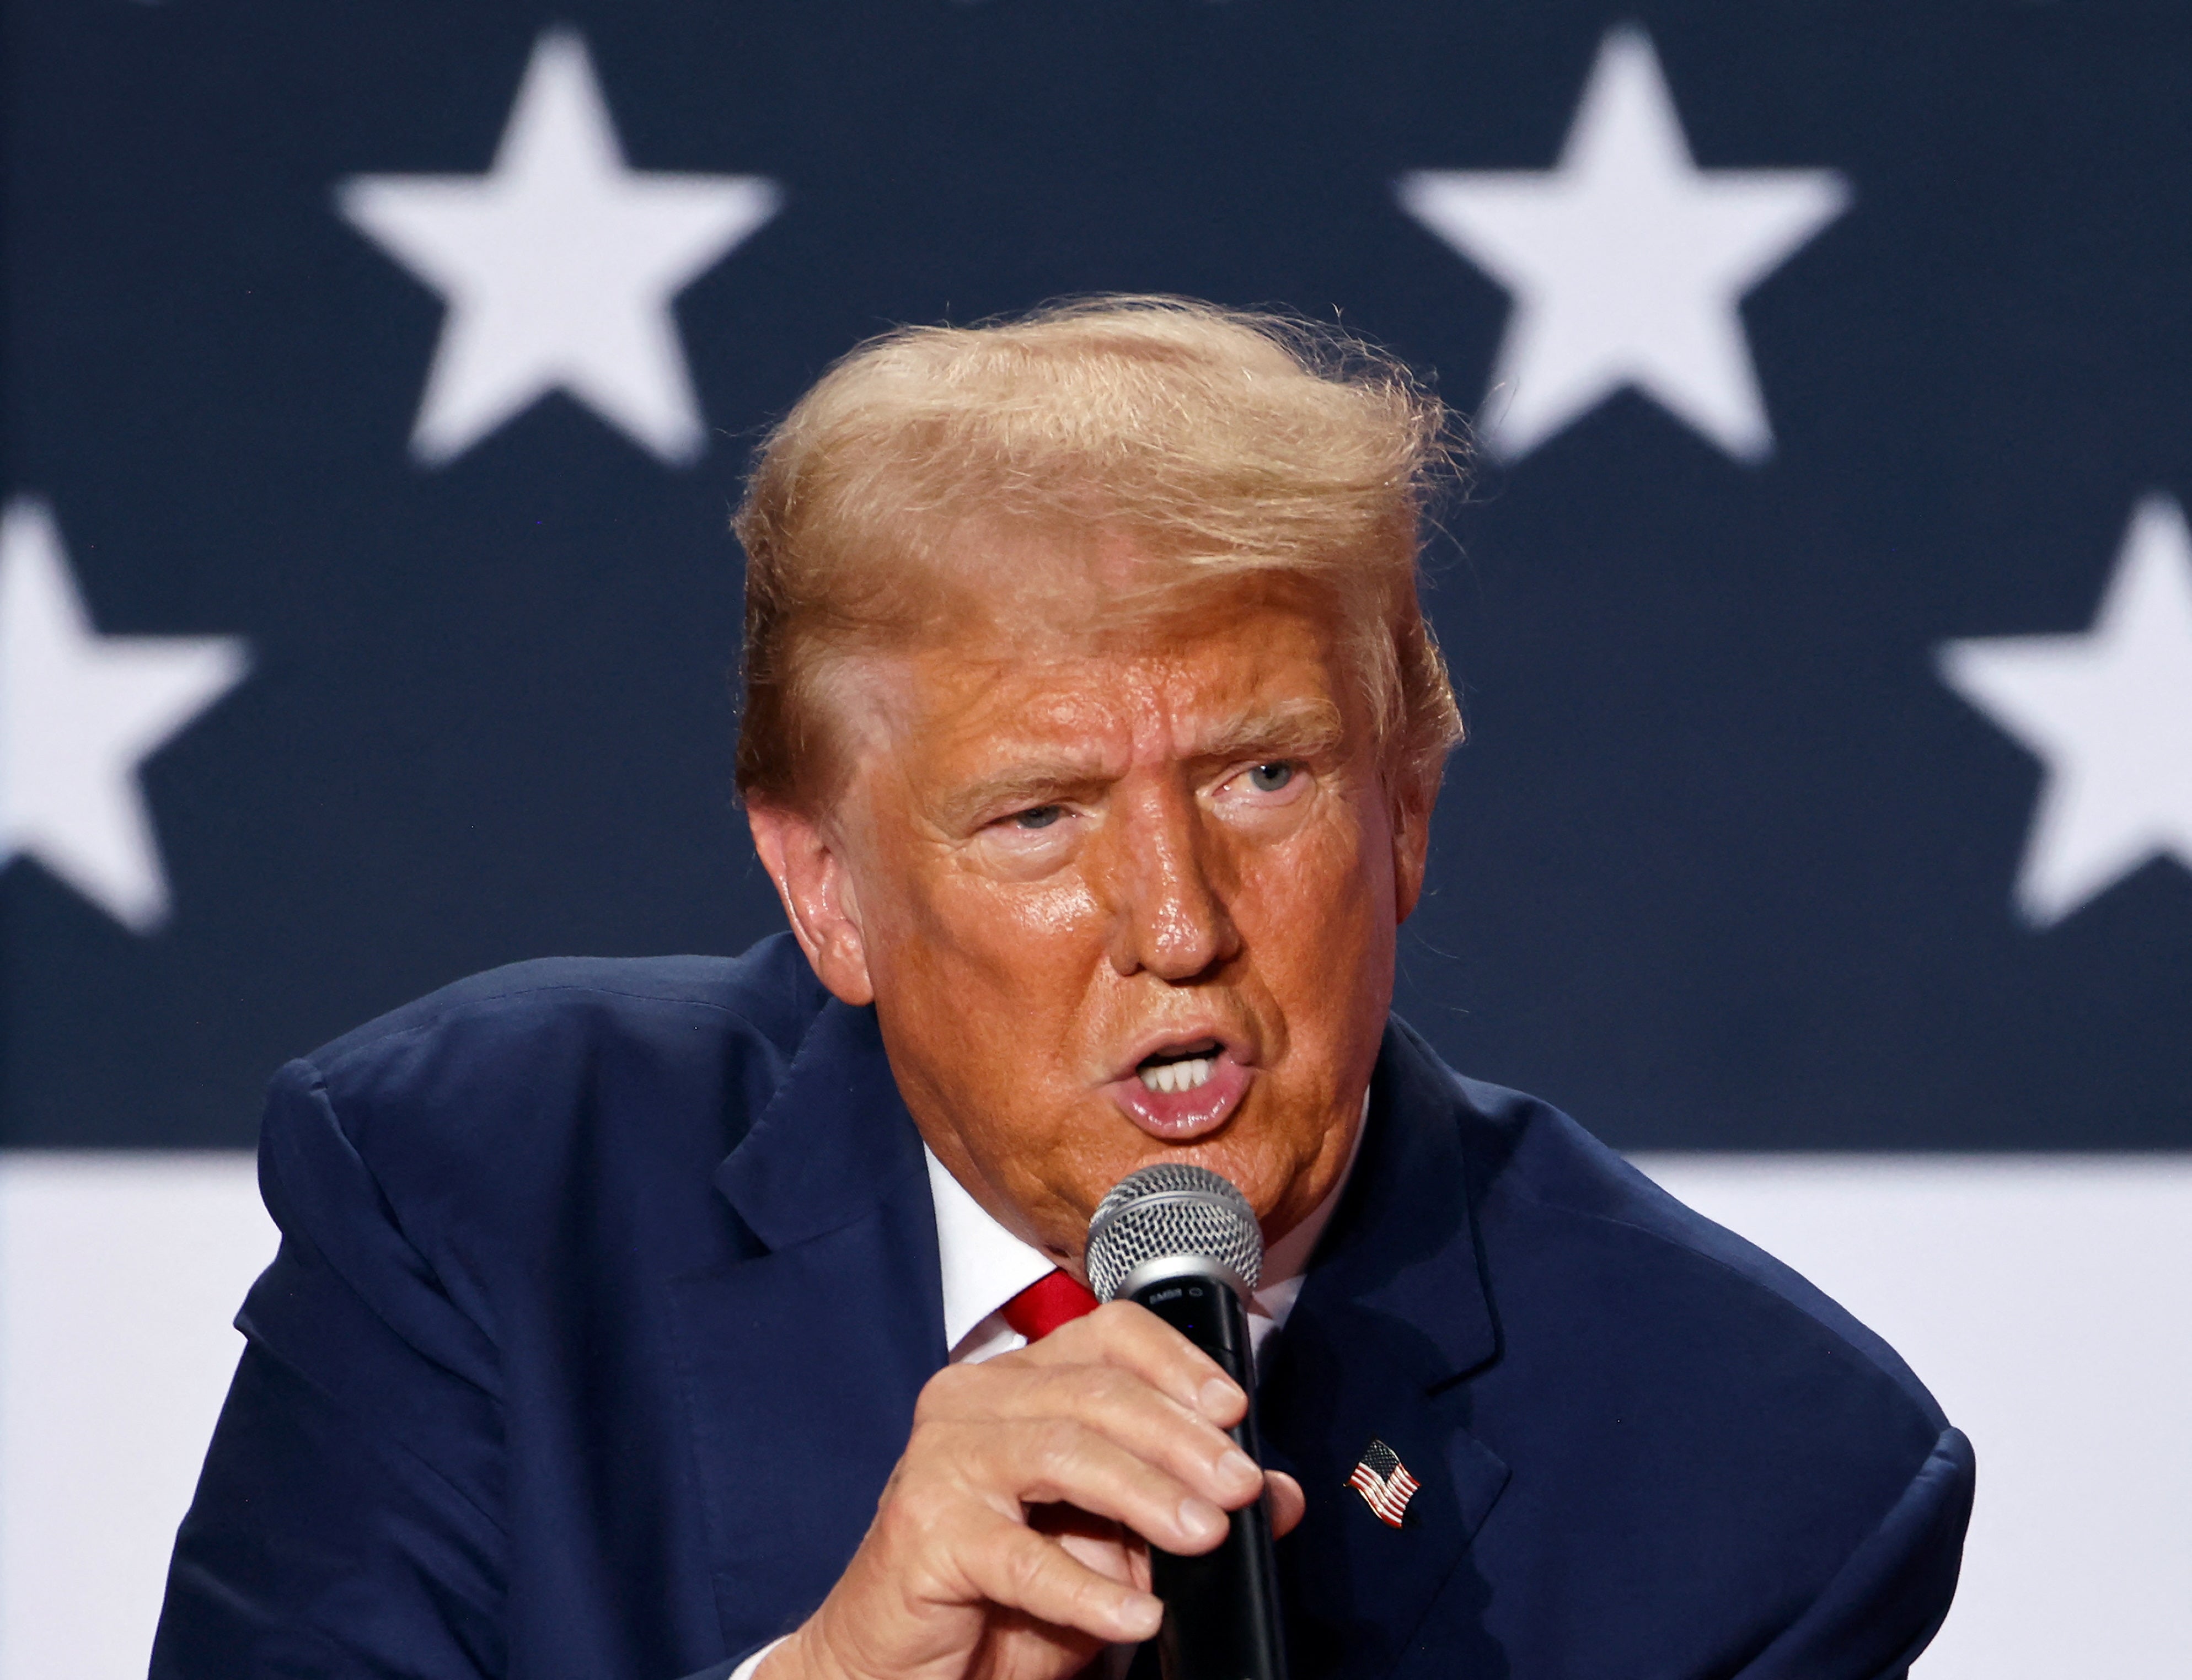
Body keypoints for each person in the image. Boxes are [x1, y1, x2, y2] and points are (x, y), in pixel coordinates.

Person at [152, 298, 1972, 1680]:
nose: (1176, 923)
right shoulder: (477, 1198)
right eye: (1038, 816)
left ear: (1406, 809)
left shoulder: (1762, 1474)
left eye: (1267, 777)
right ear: (828, 894)